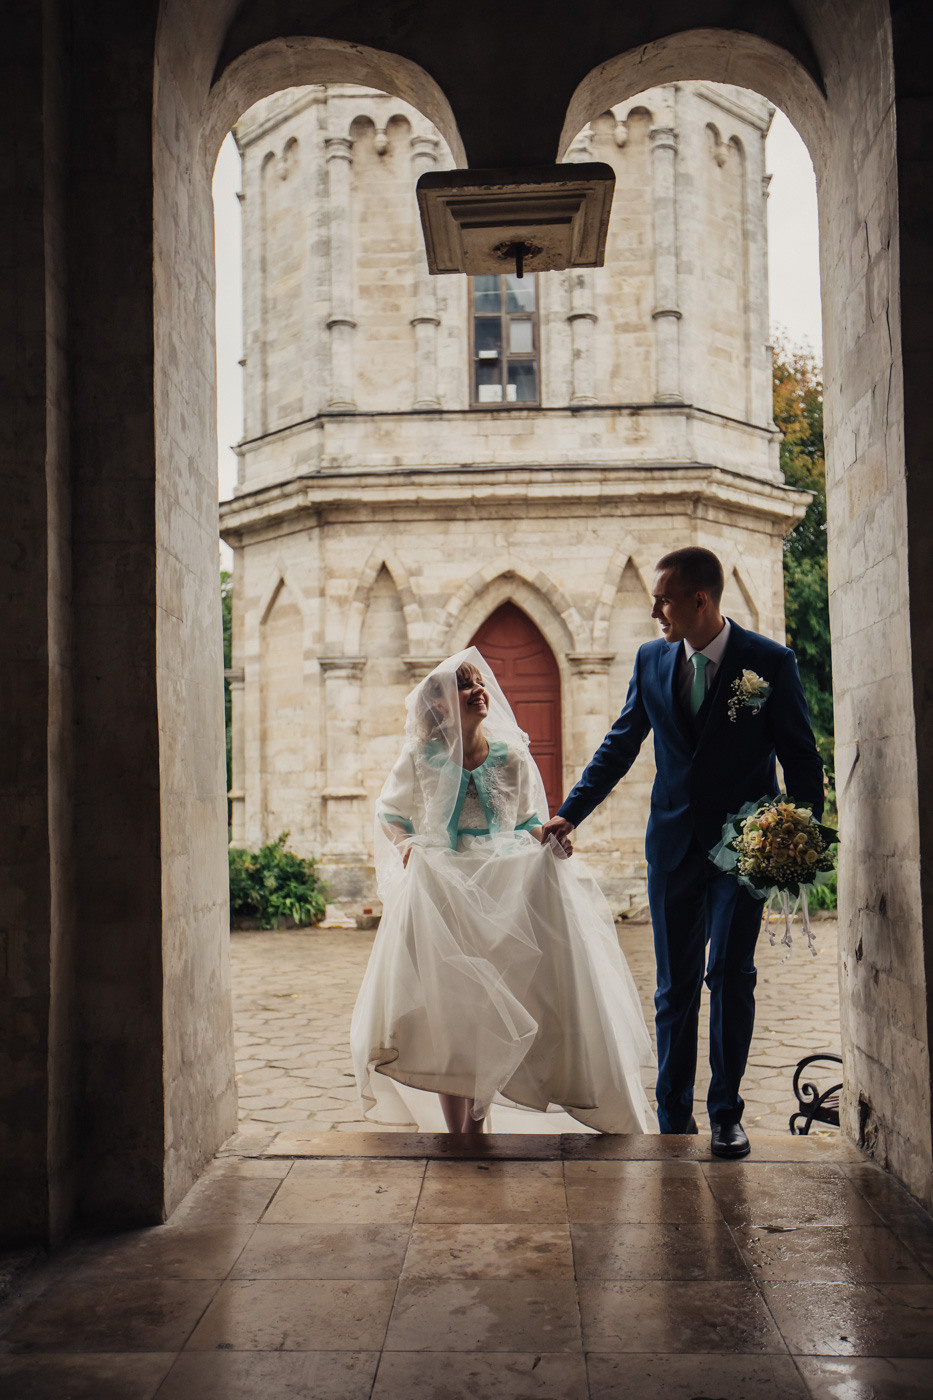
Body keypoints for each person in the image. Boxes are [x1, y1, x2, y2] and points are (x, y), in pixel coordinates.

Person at [542, 547, 824, 1158]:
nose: (654, 611)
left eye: (663, 598)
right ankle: (674, 1121)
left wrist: (801, 839)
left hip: (744, 850)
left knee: (730, 976)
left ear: (701, 600)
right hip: (671, 847)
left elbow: (802, 758)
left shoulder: (767, 663)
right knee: (674, 988)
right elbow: (621, 744)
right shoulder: (651, 660)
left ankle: (726, 1113)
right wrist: (569, 812)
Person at [351, 648, 655, 1135]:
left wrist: (552, 841)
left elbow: (528, 820)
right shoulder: (420, 757)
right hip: (443, 893)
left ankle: (493, 1106)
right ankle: (460, 1135)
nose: (478, 692)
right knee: (450, 1010)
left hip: (503, 890)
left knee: (503, 1004)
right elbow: (390, 813)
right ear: (441, 706)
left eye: (479, 684)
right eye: (465, 687)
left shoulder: (510, 756)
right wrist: (406, 844)